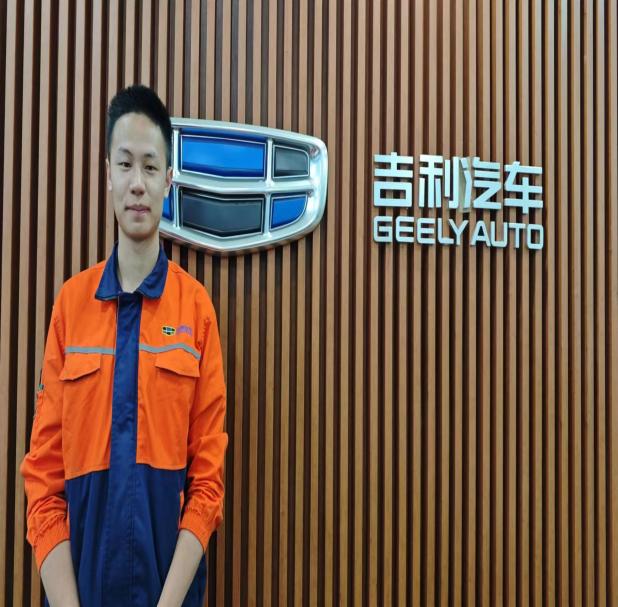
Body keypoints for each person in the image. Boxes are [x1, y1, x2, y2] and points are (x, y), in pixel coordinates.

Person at [19, 84, 228, 607]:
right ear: (107, 174)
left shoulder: (196, 311)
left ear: (168, 180)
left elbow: (207, 485)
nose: (137, 183)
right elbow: (43, 480)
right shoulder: (71, 307)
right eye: (126, 164)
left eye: (151, 167)